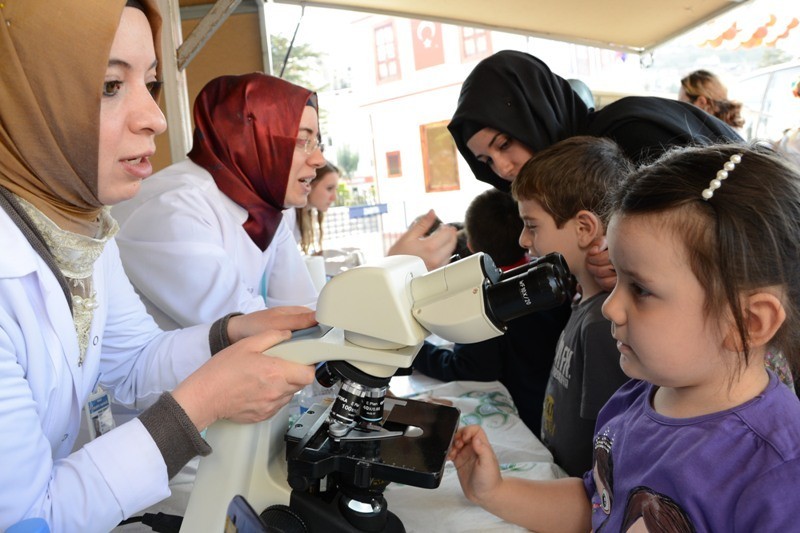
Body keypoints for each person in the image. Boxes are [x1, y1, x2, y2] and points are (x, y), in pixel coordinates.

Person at [0, 2, 317, 530]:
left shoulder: (84, 230)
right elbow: (29, 517)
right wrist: (205, 401)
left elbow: (132, 362)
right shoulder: (165, 208)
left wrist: (228, 333)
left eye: (149, 83)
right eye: (110, 85)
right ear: (29, 99)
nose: (156, 118)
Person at [448, 143, 800, 532]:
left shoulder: (781, 471)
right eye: (616, 277)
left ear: (748, 322)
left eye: (641, 290)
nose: (611, 308)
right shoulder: (630, 400)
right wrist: (494, 492)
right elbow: (597, 505)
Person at [113, 72, 323, 330]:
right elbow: (246, 326)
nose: (319, 159)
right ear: (247, 138)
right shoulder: (174, 207)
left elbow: (303, 310)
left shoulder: (264, 210)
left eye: (316, 142)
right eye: (302, 141)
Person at [510, 136, 632, 475]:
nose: (523, 239)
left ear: (584, 228)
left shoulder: (603, 325)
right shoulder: (581, 303)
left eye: (532, 225)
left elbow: (609, 441)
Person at [413, 188, 572, 436]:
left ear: (470, 246)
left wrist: (416, 351)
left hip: (522, 420)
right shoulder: (549, 281)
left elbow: (469, 368)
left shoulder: (484, 300)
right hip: (554, 411)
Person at [286, 161, 340, 255]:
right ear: (309, 184)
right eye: (329, 188)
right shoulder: (288, 213)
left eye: (336, 190)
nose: (334, 197)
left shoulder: (304, 214)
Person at [678, 69, 745, 129]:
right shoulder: (729, 130)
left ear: (701, 102)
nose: (678, 109)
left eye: (682, 103)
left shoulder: (705, 135)